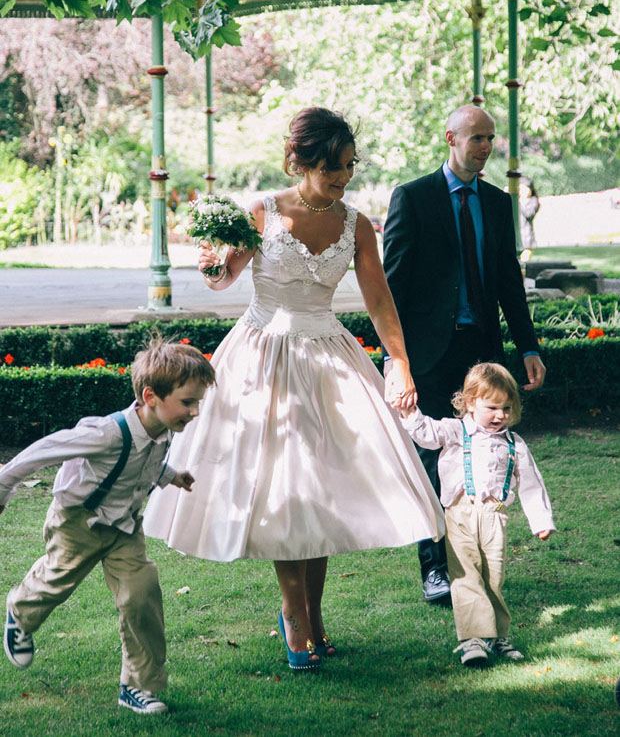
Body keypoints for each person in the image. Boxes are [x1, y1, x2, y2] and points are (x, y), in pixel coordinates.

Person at [143, 106, 444, 671]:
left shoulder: (357, 225)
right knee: (284, 489)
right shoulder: (263, 212)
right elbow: (223, 277)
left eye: (351, 167)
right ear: (301, 162)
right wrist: (211, 261)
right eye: (333, 167)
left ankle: (314, 614)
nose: (344, 178)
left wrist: (398, 363)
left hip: (328, 357)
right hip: (261, 357)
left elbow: (380, 301)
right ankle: (294, 613)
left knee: (321, 492)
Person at [383, 104, 546, 605]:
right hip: (428, 354)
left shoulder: (498, 203)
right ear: (450, 137)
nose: (485, 147)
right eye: (477, 137)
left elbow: (507, 282)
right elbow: (392, 287)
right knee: (432, 456)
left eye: (490, 138)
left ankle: (471, 560)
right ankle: (434, 568)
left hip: (482, 352)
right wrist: (397, 358)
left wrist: (528, 346)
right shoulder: (412, 198)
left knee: (479, 456)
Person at [0, 340, 215, 715]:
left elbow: (145, 462)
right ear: (151, 396)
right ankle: (20, 614)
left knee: (141, 592)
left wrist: (171, 476)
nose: (195, 411)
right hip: (78, 522)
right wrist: (4, 485)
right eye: (188, 402)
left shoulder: (162, 430)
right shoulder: (106, 433)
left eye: (197, 403)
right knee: (54, 582)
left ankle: (138, 686)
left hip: (124, 527)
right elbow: (41, 451)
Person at [403, 362, 555, 666]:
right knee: (465, 575)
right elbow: (426, 433)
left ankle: (498, 636)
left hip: (494, 517)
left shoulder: (515, 445)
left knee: (492, 578)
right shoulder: (456, 431)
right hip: (459, 514)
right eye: (493, 407)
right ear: (471, 403)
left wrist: (541, 521)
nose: (500, 415)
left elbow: (530, 485)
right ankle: (472, 640)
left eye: (506, 408)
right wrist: (409, 412)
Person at [518, 177, 540, 249]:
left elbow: (528, 213)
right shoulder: (514, 201)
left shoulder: (533, 201)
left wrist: (519, 202)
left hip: (527, 238)